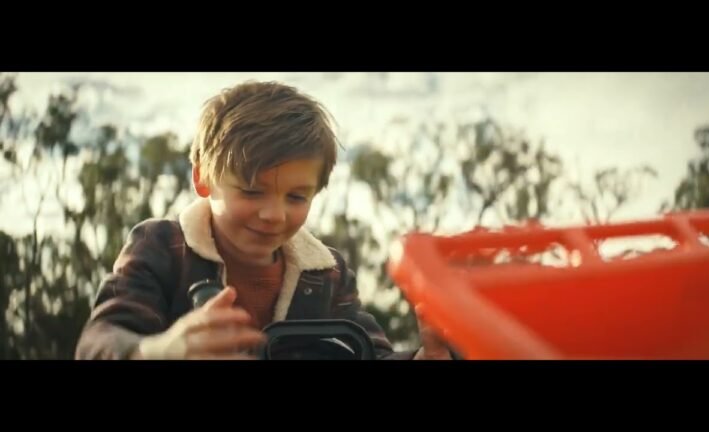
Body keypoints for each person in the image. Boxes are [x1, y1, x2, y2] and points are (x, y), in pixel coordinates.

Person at [74, 80, 453, 360]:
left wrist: (423, 358)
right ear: (202, 178)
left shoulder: (327, 275)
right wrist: (161, 351)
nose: (274, 214)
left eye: (296, 197)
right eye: (252, 192)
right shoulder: (161, 248)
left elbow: (372, 354)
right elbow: (97, 343)